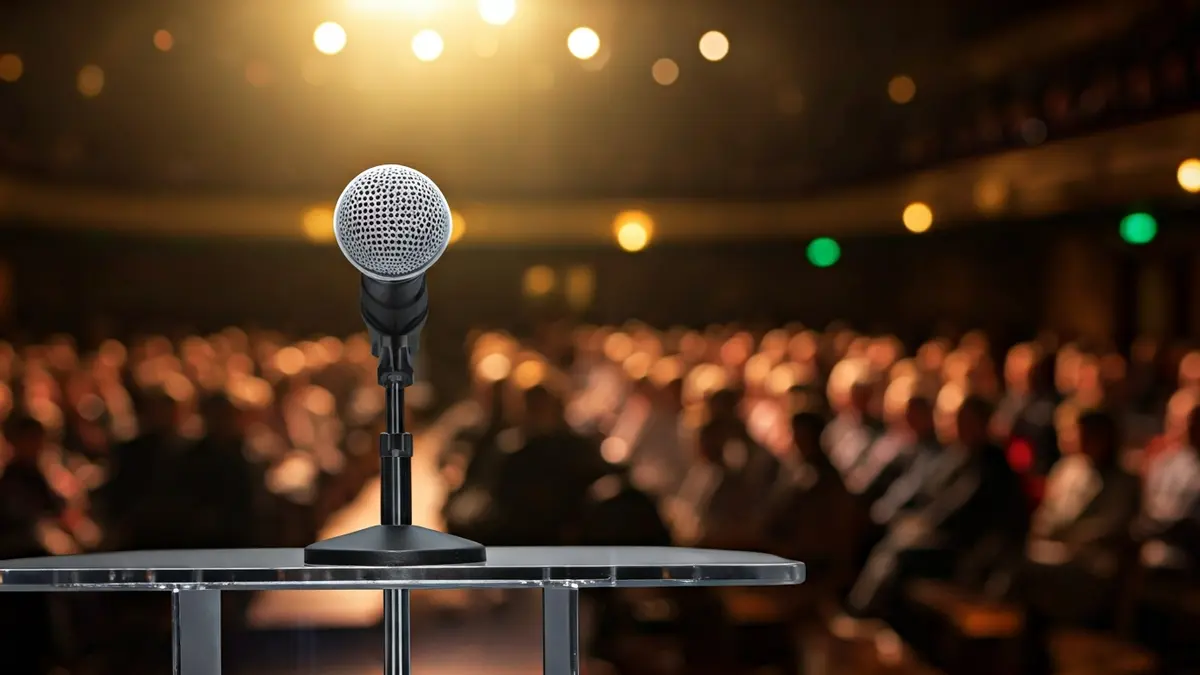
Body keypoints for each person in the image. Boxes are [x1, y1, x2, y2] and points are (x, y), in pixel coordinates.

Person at [1013, 410, 1142, 675]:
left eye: (1078, 432)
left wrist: (1062, 540)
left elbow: (1106, 530)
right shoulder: (1068, 470)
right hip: (1052, 560)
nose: (1071, 438)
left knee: (1023, 576)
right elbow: (1045, 519)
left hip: (1092, 571)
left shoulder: (1125, 480)